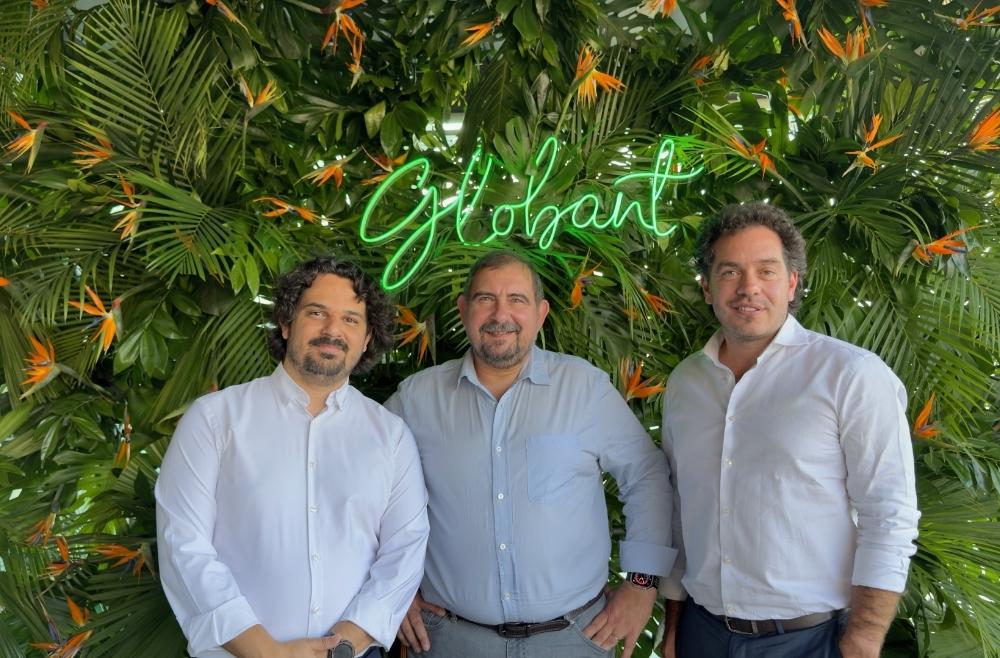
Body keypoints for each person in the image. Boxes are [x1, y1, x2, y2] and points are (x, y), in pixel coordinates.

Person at [658, 203, 920, 658]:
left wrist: (864, 637)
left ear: (792, 282)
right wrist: (675, 624)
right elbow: (682, 511)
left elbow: (888, 514)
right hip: (702, 633)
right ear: (707, 287)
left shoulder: (851, 375)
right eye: (729, 272)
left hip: (809, 641)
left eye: (766, 271)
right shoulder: (685, 383)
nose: (748, 288)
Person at [384, 250, 675, 658]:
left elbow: (646, 476)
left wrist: (641, 586)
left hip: (575, 639)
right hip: (449, 641)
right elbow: (361, 496)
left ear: (540, 313)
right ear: (464, 310)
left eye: (516, 300)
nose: (500, 314)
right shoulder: (416, 400)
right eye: (486, 298)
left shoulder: (584, 389)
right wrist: (390, 591)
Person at [156, 257, 430, 658]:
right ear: (286, 323)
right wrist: (267, 653)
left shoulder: (390, 436)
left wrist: (340, 649)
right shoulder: (215, 420)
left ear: (368, 337)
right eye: (317, 312)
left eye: (351, 320)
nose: (333, 330)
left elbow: (404, 551)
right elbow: (184, 545)